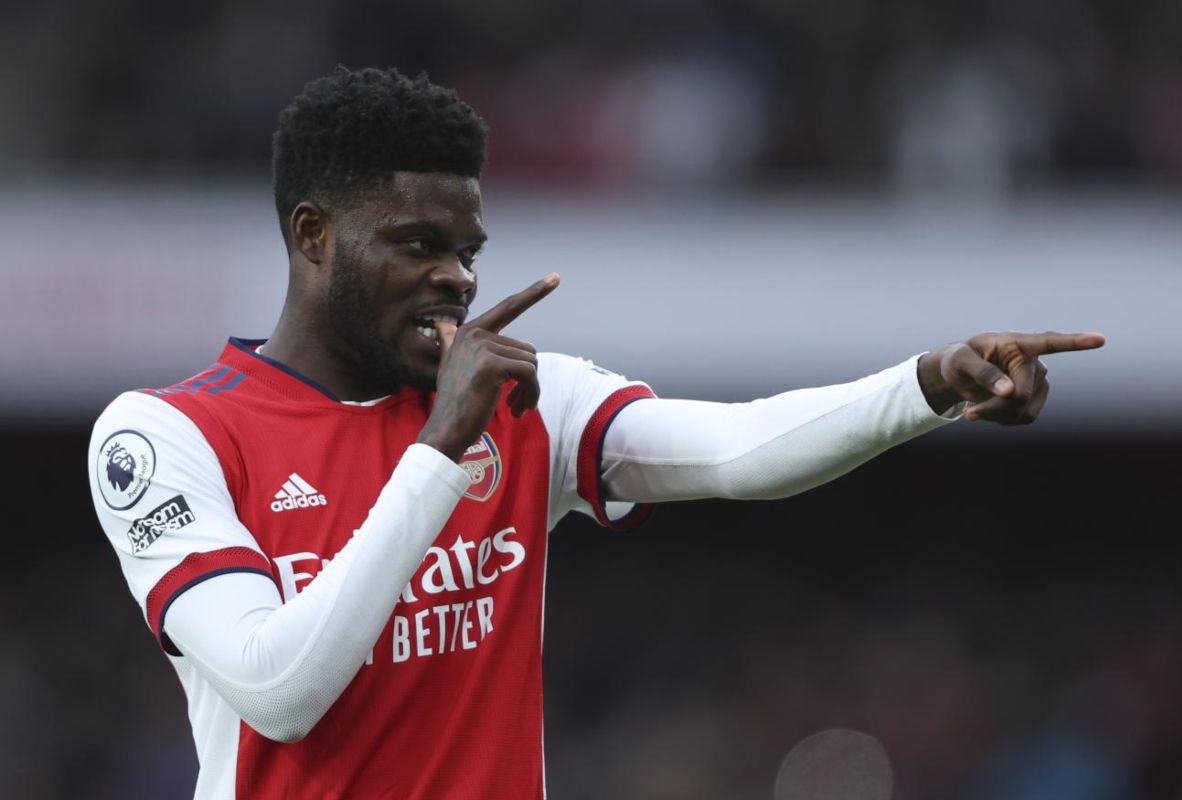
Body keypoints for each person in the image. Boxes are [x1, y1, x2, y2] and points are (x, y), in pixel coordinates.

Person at [88, 66, 1104, 799]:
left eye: (467, 250)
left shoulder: (525, 401)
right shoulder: (168, 435)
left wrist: (925, 385)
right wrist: (441, 448)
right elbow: (279, 688)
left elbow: (741, 450)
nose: (454, 278)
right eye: (417, 244)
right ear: (314, 236)